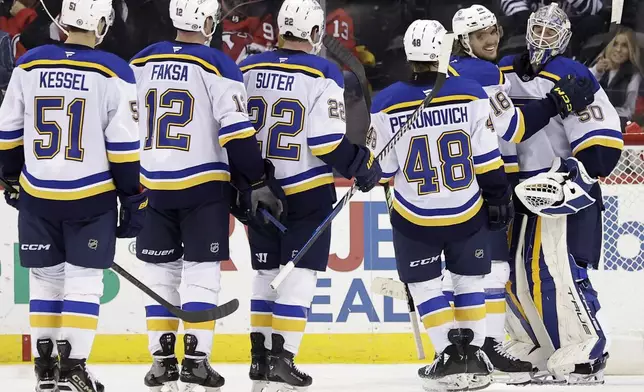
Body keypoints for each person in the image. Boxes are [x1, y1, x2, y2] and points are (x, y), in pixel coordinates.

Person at [129, 0, 286, 391]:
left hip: (152, 184)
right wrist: (255, 179)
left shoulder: (140, 61)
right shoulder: (217, 63)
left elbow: (122, 125)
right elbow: (236, 132)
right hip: (202, 186)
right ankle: (196, 361)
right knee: (200, 272)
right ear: (206, 20)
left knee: (160, 273)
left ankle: (162, 362)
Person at [447, 4, 597, 385]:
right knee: (497, 270)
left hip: (453, 185)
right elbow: (513, 128)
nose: (492, 39)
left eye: (494, 30)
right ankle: (488, 346)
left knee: (471, 272)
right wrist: (555, 102)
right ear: (465, 40)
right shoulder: (484, 71)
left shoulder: (447, 73)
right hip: (488, 181)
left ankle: (468, 347)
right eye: (482, 35)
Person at [0, 0, 145, 391]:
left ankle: (45, 368)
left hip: (37, 194)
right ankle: (73, 367)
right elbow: (125, 149)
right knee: (84, 283)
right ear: (99, 23)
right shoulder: (114, 69)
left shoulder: (29, 64)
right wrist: (132, 197)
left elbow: (8, 131)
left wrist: (11, 178)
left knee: (45, 280)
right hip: (90, 197)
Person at [239, 0, 382, 390]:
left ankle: (259, 359)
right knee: (299, 275)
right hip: (305, 191)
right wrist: (360, 164)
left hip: (259, 192)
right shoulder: (323, 70)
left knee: (266, 274)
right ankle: (282, 360)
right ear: (317, 33)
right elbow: (324, 140)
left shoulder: (247, 67)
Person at [369, 18, 512, 391]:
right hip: (466, 210)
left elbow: (381, 168)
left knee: (426, 286)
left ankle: (449, 357)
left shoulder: (385, 101)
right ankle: (473, 357)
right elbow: (487, 158)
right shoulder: (470, 92)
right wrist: (498, 196)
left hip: (414, 216)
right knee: (470, 281)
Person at [498, 3, 623, 384]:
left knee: (556, 269)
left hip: (556, 189)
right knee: (516, 272)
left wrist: (577, 173)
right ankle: (536, 343)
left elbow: (601, 141)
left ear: (565, 38)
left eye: (551, 33)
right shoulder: (503, 70)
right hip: (513, 188)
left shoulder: (572, 74)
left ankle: (586, 347)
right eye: (538, 29)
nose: (541, 38)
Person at [590, 27, 643, 129]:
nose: (618, 49)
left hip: (619, 124)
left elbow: (630, 111)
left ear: (631, 50)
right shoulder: (599, 68)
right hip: (594, 120)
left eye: (624, 46)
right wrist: (597, 71)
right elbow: (582, 87)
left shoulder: (634, 76)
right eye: (615, 44)